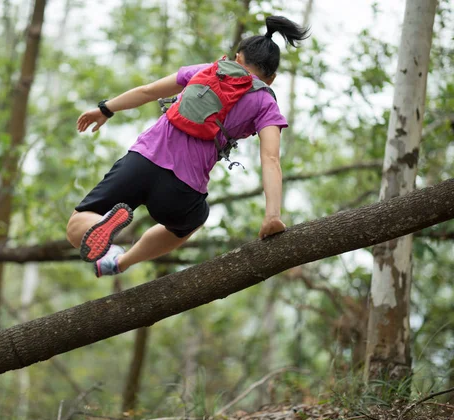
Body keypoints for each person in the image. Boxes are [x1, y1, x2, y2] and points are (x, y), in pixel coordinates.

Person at [67, 15, 309, 278]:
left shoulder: (208, 70)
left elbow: (149, 91)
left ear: (237, 58)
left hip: (142, 160)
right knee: (190, 222)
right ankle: (120, 262)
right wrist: (272, 215)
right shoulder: (266, 103)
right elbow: (271, 159)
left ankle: (102, 225)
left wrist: (105, 109)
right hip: (183, 189)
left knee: (76, 226)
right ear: (271, 78)